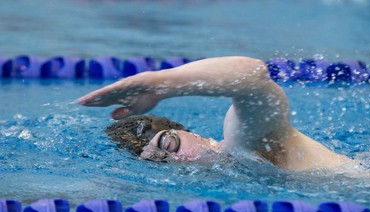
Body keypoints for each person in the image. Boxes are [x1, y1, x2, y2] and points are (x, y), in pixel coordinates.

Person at [78, 56, 352, 171]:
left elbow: (253, 76)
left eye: (169, 144)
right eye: (162, 160)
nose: (177, 160)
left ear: (187, 131)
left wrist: (162, 85)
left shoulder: (244, 143)